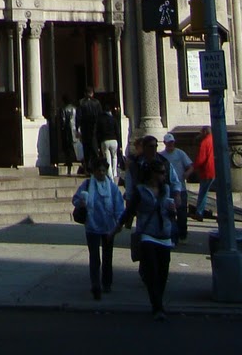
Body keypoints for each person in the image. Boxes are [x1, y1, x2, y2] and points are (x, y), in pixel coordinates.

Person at [123, 156, 177, 320]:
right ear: (153, 174)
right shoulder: (141, 190)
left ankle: (158, 301)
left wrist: (173, 211)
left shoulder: (165, 189)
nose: (164, 175)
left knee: (163, 273)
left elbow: (170, 214)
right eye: (161, 173)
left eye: (164, 173)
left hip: (164, 235)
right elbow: (130, 210)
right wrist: (117, 227)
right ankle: (157, 307)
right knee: (152, 271)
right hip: (148, 234)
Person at [72, 152, 125, 300]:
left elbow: (118, 206)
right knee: (94, 257)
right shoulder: (87, 185)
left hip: (108, 226)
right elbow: (75, 199)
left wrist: (119, 223)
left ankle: (107, 283)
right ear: (94, 171)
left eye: (103, 170)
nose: (101, 173)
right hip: (92, 225)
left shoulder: (112, 188)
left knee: (108, 257)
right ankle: (95, 284)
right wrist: (81, 202)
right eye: (98, 170)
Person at [162, 132, 192, 239]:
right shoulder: (162, 156)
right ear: (165, 143)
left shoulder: (180, 153)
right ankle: (172, 235)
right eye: (169, 143)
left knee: (182, 213)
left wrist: (187, 173)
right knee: (169, 213)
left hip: (181, 188)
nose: (171, 144)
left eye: (172, 142)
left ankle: (183, 235)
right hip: (168, 188)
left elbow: (190, 166)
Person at [191, 124, 215, 220]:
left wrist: (193, 168)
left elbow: (201, 158)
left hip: (207, 171)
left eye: (201, 132)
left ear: (205, 132)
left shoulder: (205, 142)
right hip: (215, 170)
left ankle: (199, 212)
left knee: (203, 193)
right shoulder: (214, 140)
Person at [77, 86, 102, 172]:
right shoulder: (97, 103)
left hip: (85, 129)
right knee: (94, 149)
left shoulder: (81, 103)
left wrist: (78, 128)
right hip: (95, 128)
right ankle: (96, 167)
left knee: (86, 149)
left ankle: (87, 168)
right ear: (92, 93)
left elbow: (78, 116)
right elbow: (100, 115)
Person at [59, 96, 82, 175]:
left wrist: (62, 128)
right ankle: (78, 159)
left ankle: (69, 160)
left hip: (67, 129)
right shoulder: (75, 108)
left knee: (67, 146)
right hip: (74, 129)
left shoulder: (64, 109)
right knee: (75, 145)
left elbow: (63, 120)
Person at [96, 104, 120, 176]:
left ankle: (110, 175)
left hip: (105, 141)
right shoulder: (113, 119)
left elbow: (98, 132)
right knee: (114, 157)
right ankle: (115, 173)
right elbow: (117, 131)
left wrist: (98, 144)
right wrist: (119, 142)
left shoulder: (100, 120)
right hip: (114, 140)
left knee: (107, 159)